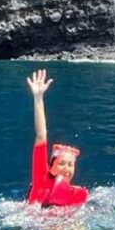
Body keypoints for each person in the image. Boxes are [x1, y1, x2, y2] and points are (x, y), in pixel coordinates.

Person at [26, 69, 89, 207]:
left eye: (70, 165)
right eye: (61, 163)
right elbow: (41, 136)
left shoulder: (78, 194)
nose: (66, 168)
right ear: (51, 168)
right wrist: (38, 98)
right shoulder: (41, 180)